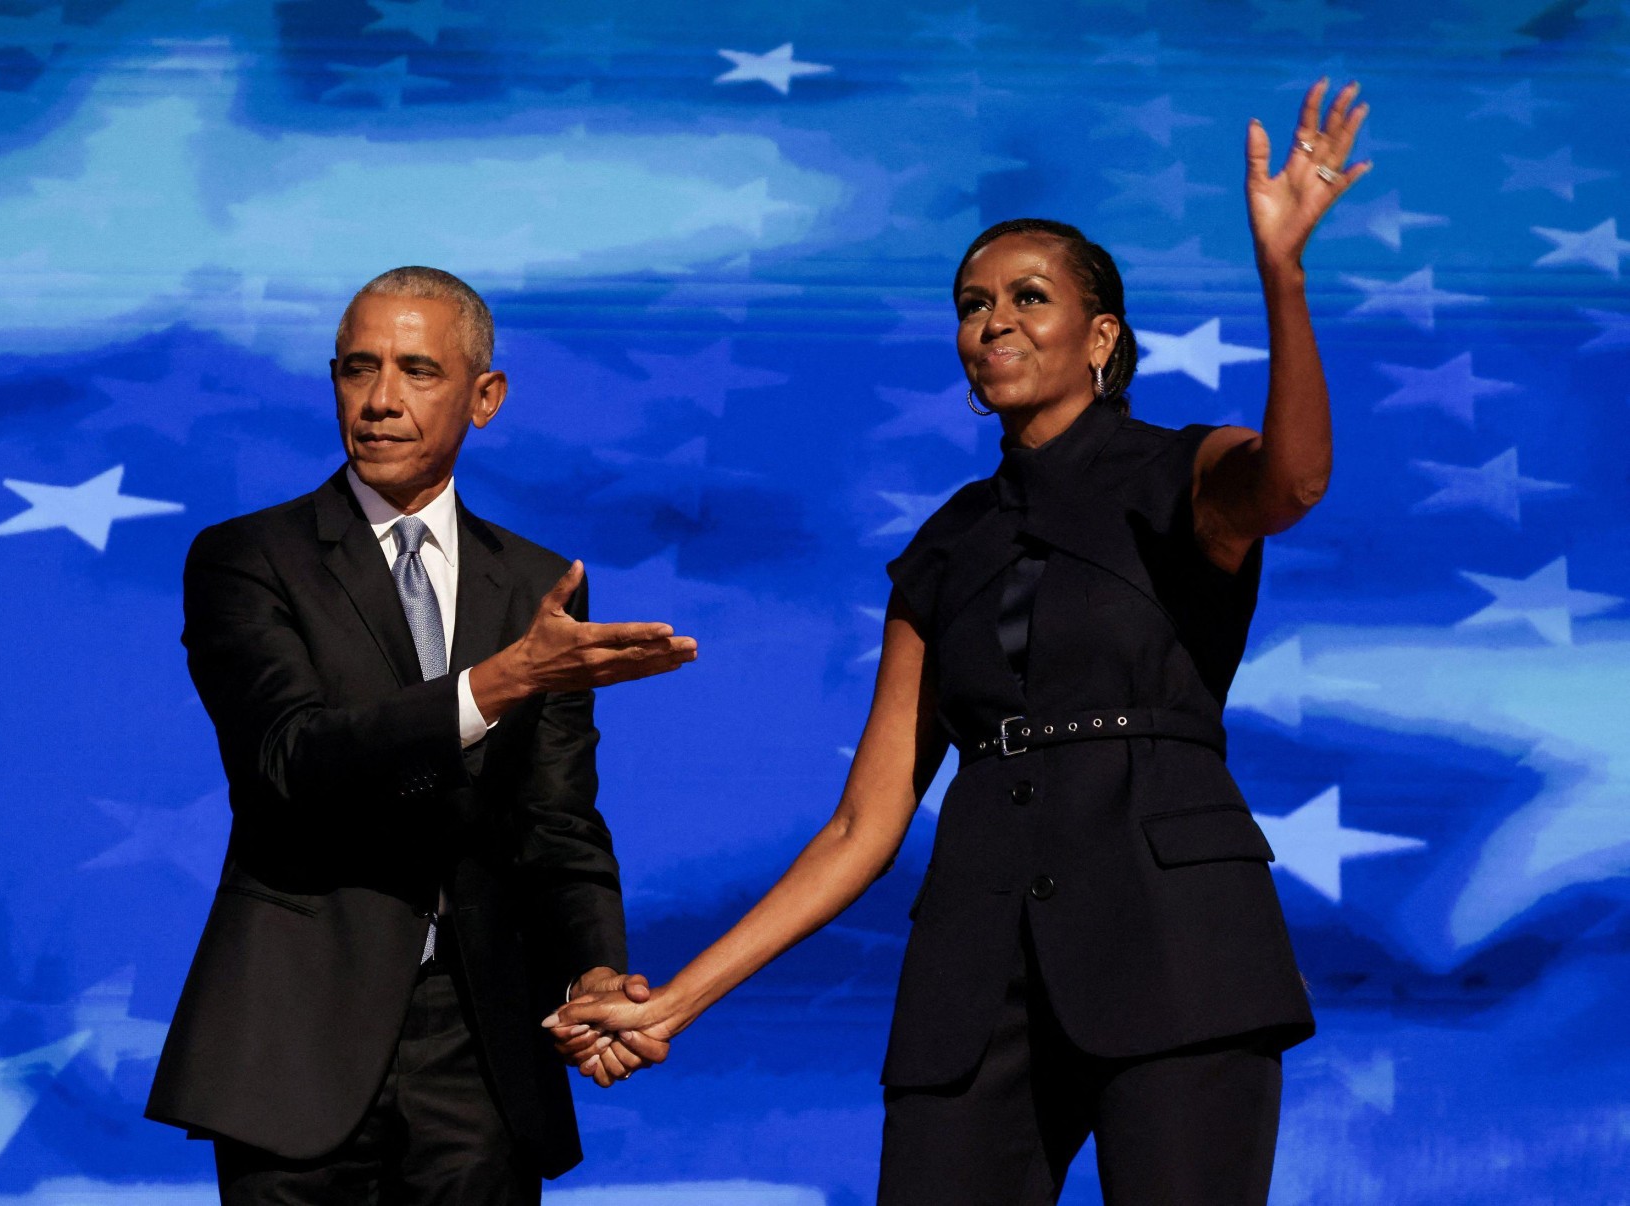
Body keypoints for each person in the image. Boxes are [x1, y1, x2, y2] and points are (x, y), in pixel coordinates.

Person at [552, 80, 1372, 1203]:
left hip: (1179, 947)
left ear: (1102, 338)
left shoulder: (1181, 468)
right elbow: (862, 825)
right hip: (975, 972)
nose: (994, 321)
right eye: (972, 303)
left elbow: (1298, 479)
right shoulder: (944, 546)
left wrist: (1284, 274)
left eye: (1029, 297)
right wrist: (676, 1002)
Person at [145, 265, 697, 1205]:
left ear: (485, 398)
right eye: (359, 370)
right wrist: (505, 679)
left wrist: (595, 971)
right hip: (296, 1040)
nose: (381, 401)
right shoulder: (247, 557)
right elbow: (290, 759)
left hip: (479, 1043)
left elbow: (557, 820)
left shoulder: (535, 585)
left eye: (417, 371)